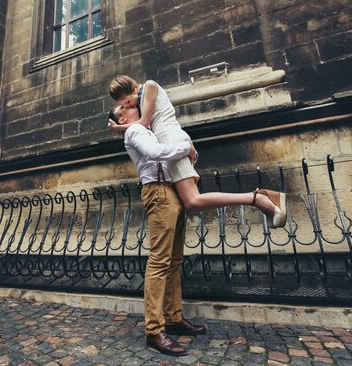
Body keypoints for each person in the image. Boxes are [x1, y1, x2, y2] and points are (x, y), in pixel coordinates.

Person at [108, 75, 287, 227]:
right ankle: (258, 199)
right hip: (171, 142)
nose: (129, 106)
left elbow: (145, 123)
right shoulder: (140, 99)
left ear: (130, 89)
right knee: (190, 201)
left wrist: (118, 128)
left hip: (171, 139)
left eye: (126, 102)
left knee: (192, 200)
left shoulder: (150, 86)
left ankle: (258, 198)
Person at [109, 103, 206, 357]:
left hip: (173, 189)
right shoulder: (135, 132)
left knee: (174, 260)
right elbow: (154, 153)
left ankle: (173, 318)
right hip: (158, 192)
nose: (133, 104)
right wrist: (186, 147)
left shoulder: (147, 128)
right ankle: (154, 330)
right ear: (121, 116)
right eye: (125, 105)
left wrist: (190, 153)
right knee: (160, 261)